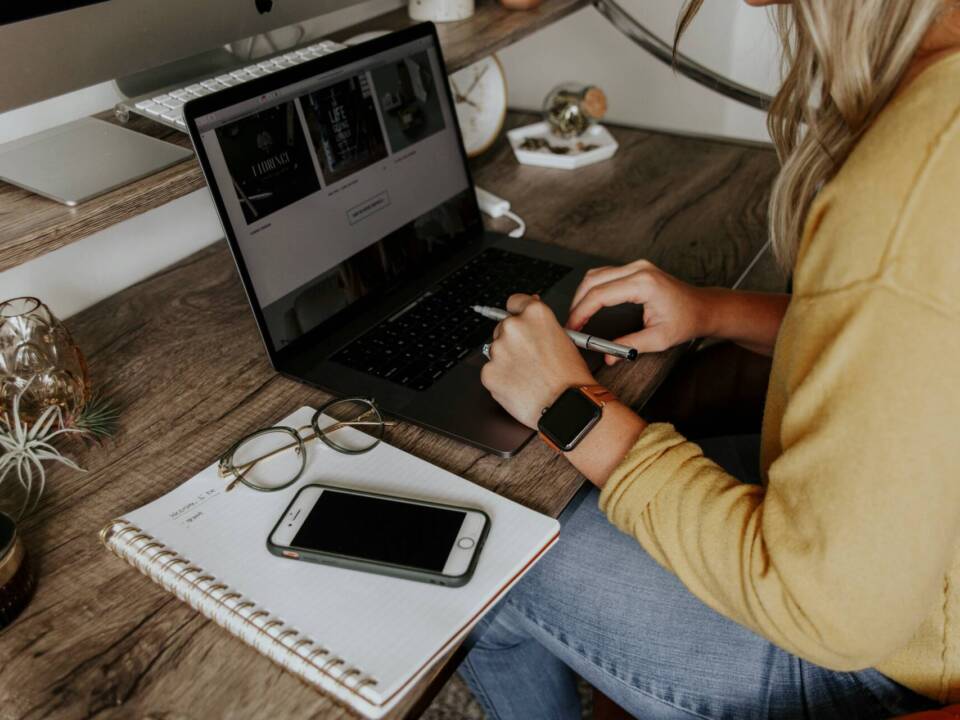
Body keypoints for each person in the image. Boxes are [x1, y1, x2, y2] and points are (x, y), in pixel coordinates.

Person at [460, 1, 960, 718]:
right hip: (918, 582)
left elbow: (828, 611)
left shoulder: (911, 180)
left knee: (490, 540)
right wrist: (709, 311)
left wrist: (565, 405)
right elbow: (909, 348)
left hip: (879, 671)